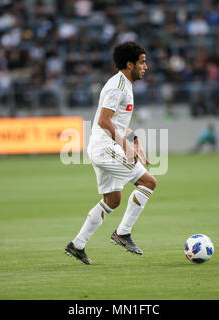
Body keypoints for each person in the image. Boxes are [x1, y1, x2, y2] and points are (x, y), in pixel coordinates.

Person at [65, 42, 157, 265]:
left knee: (112, 200)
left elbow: (116, 122)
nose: (146, 66)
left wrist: (134, 140)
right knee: (148, 182)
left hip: (104, 146)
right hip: (106, 148)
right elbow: (104, 121)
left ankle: (77, 245)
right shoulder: (118, 87)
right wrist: (125, 146)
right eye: (142, 62)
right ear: (129, 64)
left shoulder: (125, 85)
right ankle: (123, 233)